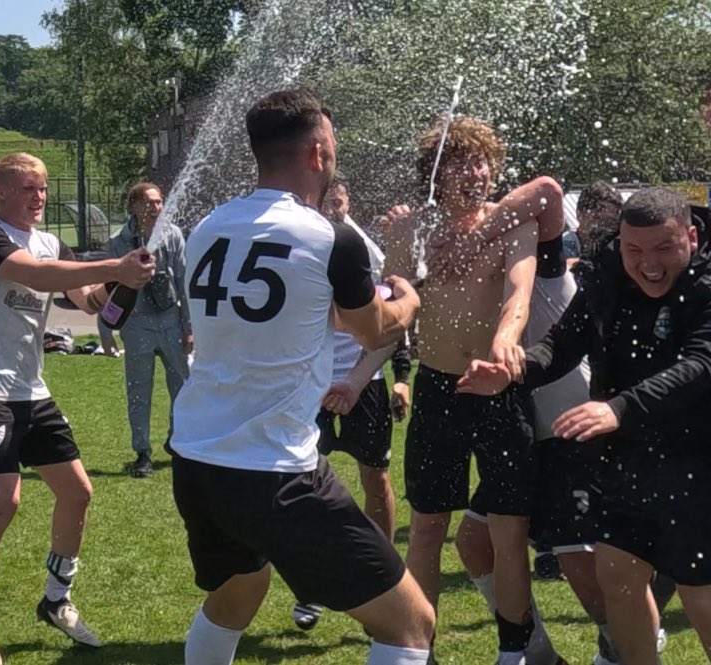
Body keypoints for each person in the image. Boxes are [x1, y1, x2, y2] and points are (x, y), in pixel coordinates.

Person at [460, 187, 711, 665]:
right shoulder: (607, 276)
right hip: (634, 453)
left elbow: (702, 367)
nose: (649, 264)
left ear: (692, 236)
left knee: (702, 595)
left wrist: (618, 408)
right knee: (616, 573)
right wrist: (515, 371)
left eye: (664, 248)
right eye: (635, 249)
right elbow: (562, 344)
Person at [167, 88, 434, 665]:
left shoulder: (210, 226)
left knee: (237, 593)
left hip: (196, 459)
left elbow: (296, 308)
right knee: (411, 624)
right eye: (332, 142)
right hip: (273, 472)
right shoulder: (328, 237)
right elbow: (374, 330)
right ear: (317, 152)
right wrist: (407, 299)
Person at [0, 152, 156, 665]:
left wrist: (121, 288)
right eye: (27, 189)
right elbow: (36, 276)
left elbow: (89, 301)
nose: (38, 198)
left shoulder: (51, 243)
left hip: (32, 392)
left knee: (78, 492)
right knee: (5, 499)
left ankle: (56, 599)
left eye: (42, 189)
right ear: (1, 191)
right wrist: (114, 264)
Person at [380, 115, 562, 664]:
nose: (473, 172)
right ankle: (420, 651)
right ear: (437, 174)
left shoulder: (513, 223)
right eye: (458, 161)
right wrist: (394, 245)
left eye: (480, 160)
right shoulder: (421, 233)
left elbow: (518, 294)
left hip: (499, 391)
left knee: (509, 531)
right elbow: (396, 310)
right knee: (427, 529)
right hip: (438, 390)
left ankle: (512, 654)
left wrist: (507, 341)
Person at [291, 174, 413, 632]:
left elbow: (394, 321)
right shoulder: (304, 243)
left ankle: (381, 576)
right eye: (328, 202)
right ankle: (311, 585)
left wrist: (400, 378)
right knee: (302, 484)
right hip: (313, 384)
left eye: (340, 201)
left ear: (348, 201)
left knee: (375, 478)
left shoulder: (367, 250)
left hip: (366, 384)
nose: (334, 208)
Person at [97, 181, 192, 478]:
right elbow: (107, 291)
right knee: (139, 391)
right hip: (137, 324)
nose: (156, 208)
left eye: (159, 202)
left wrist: (189, 327)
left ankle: (176, 442)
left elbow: (184, 284)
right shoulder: (118, 242)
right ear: (135, 206)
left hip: (170, 320)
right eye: (149, 202)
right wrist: (105, 332)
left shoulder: (172, 235)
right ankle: (142, 453)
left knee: (184, 386)